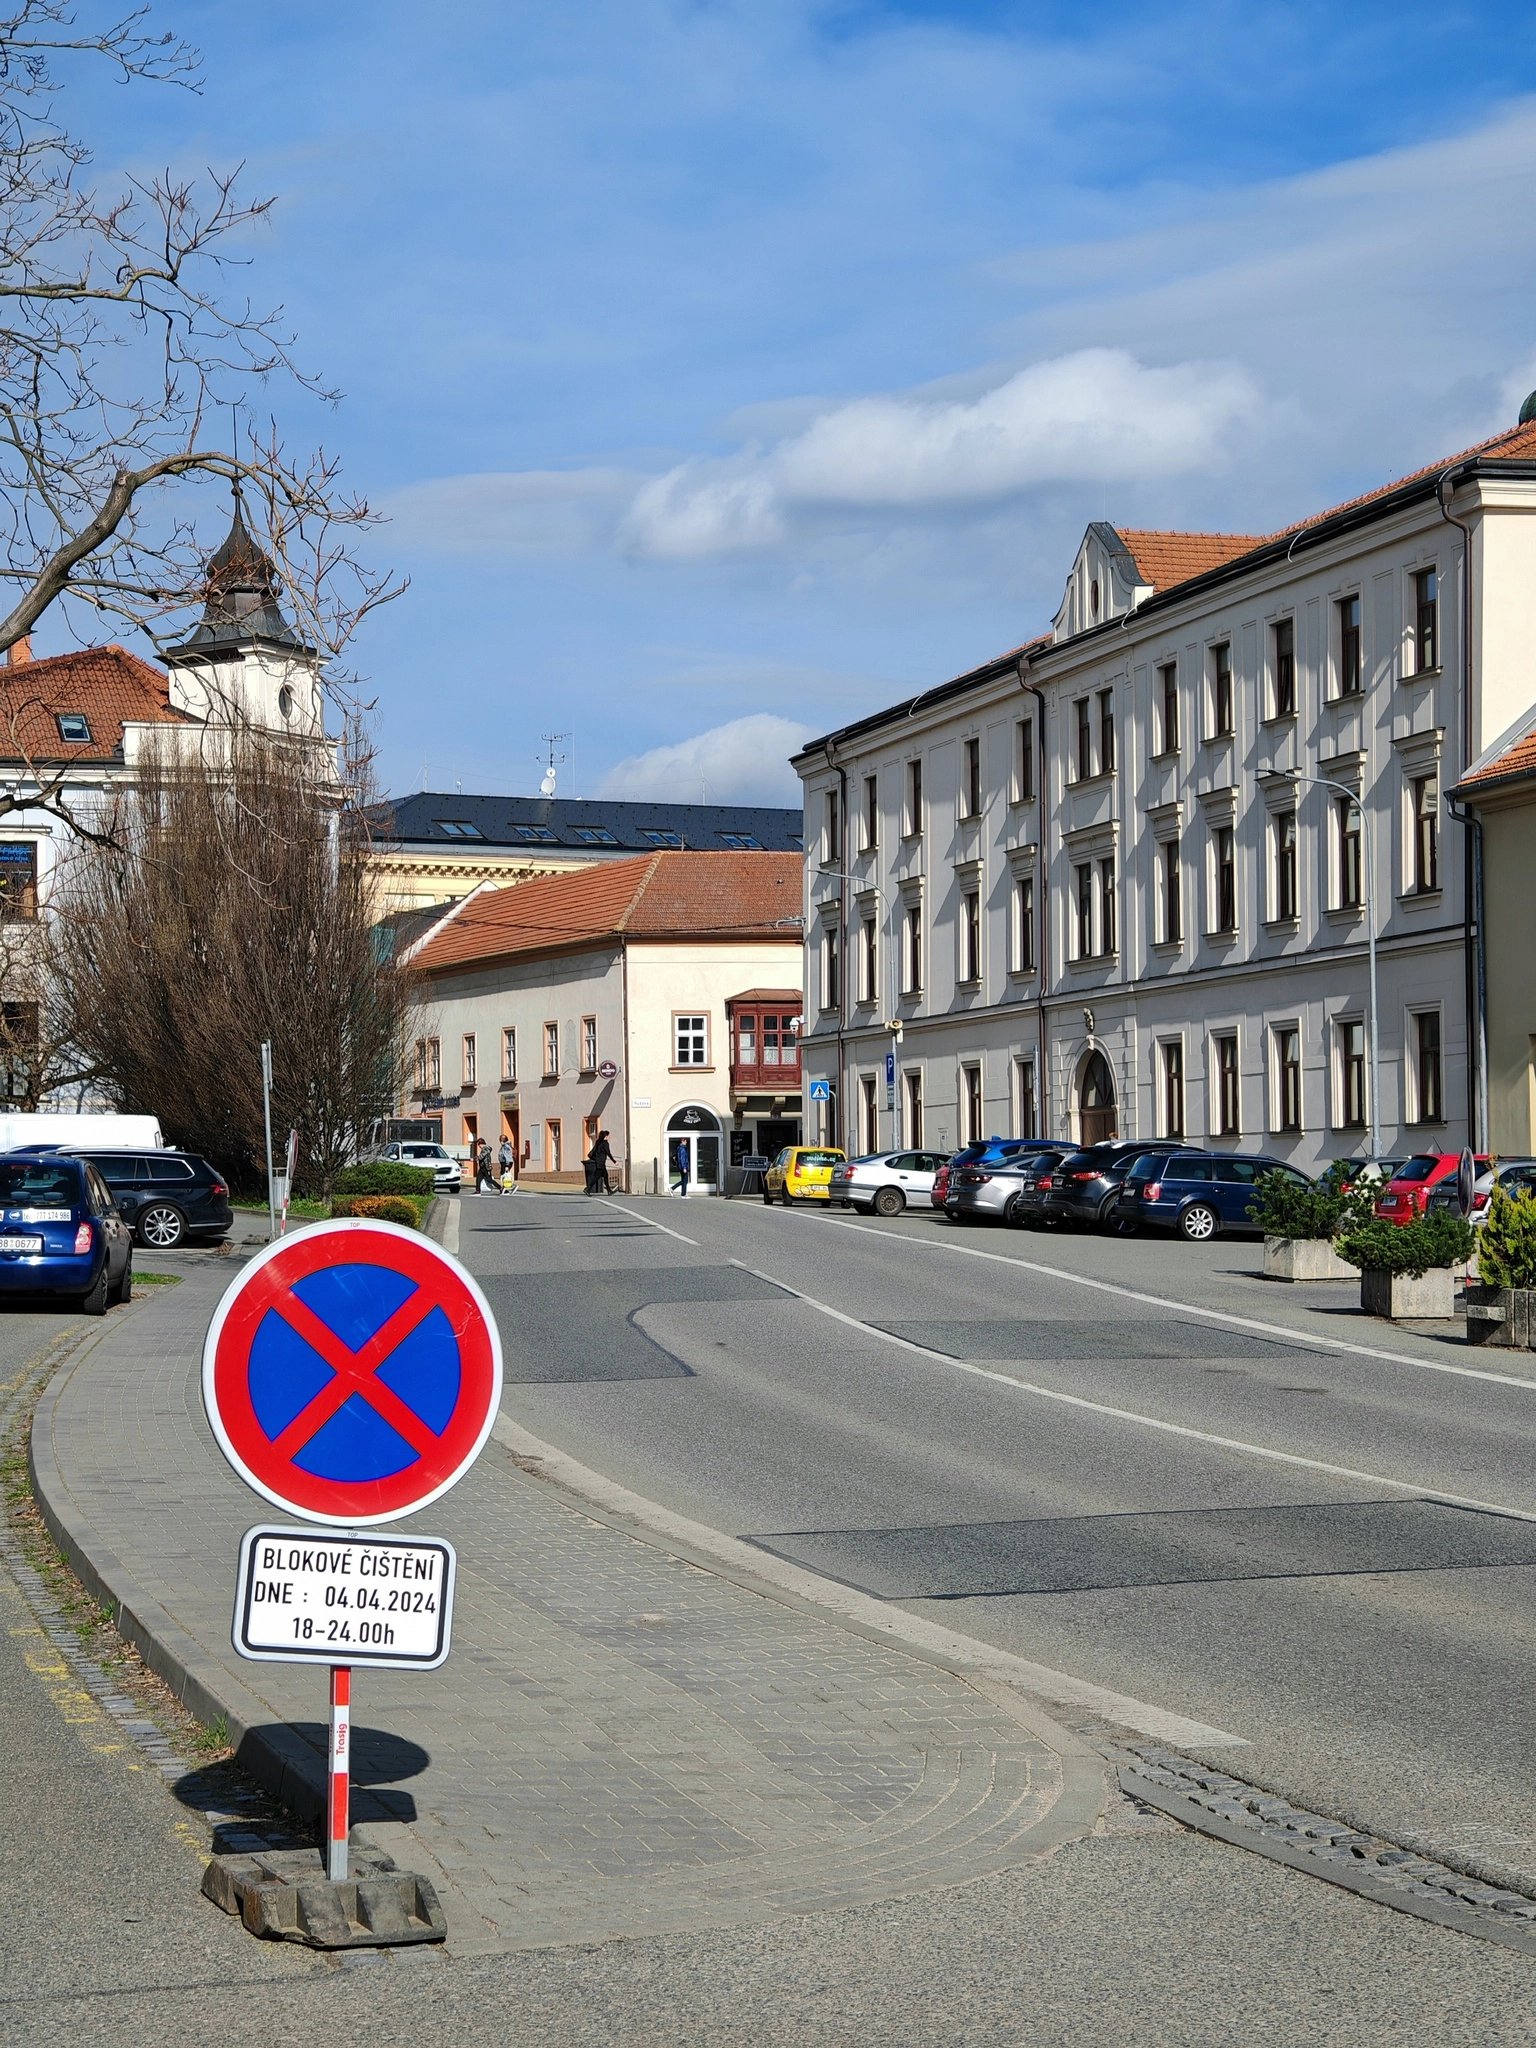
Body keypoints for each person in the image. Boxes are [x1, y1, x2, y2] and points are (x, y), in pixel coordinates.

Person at [587, 1128, 614, 1196]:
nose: (609, 1137)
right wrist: (614, 1161)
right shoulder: (605, 1144)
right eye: (608, 1136)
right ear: (606, 1136)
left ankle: (609, 1190)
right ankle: (588, 1189)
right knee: (597, 1176)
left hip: (599, 1162)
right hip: (601, 1163)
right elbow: (608, 1153)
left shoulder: (598, 1142)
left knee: (605, 1175)